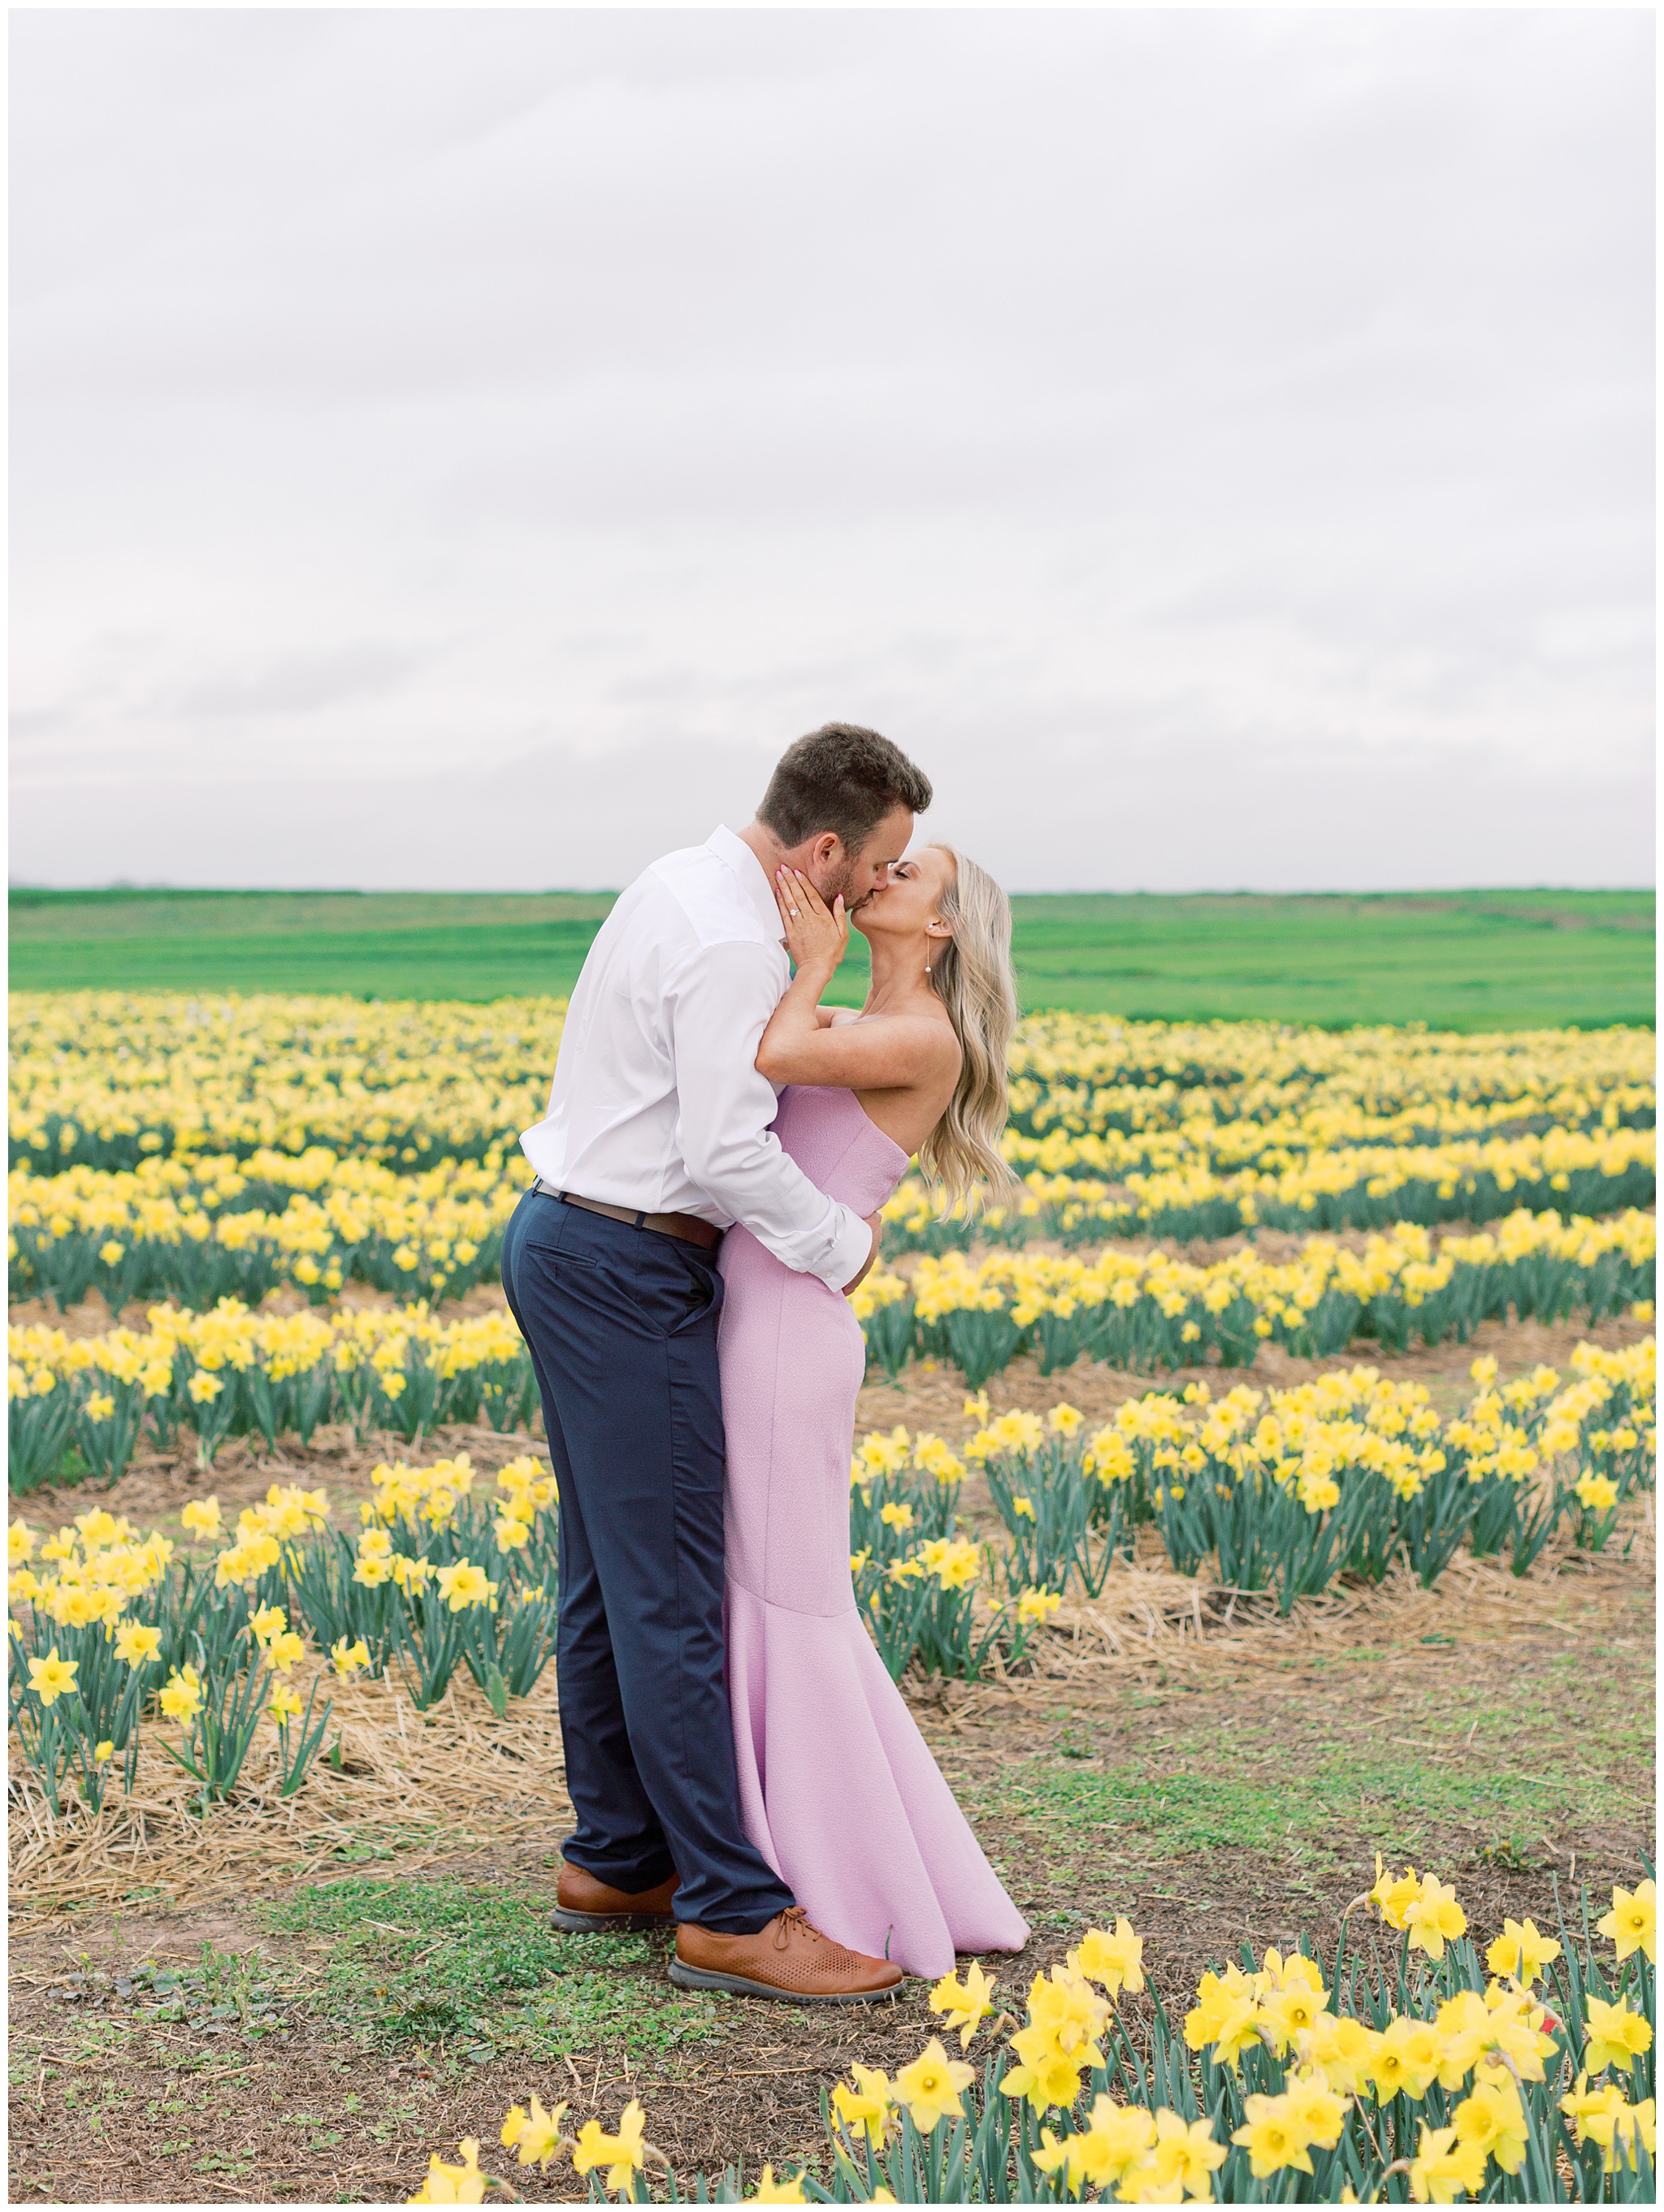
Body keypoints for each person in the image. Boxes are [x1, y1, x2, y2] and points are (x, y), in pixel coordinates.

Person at [503, 723, 931, 2002]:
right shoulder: (737, 940)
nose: (869, 891)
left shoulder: (678, 877)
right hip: (629, 1265)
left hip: (571, 1240)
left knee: (606, 1572)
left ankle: (619, 1857)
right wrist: (837, 1243)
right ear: (821, 847)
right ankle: (734, 1911)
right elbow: (728, 1146)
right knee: (670, 1590)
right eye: (876, 865)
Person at [716, 839, 1030, 1979]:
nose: (882, 876)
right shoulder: (871, 1019)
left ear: (941, 930)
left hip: (790, 1337)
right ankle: (765, 1858)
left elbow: (774, 1053)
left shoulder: (923, 1036)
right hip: (758, 1318)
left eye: (911, 878)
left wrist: (807, 959)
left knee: (792, 1600)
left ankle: (845, 1886)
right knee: (759, 1590)